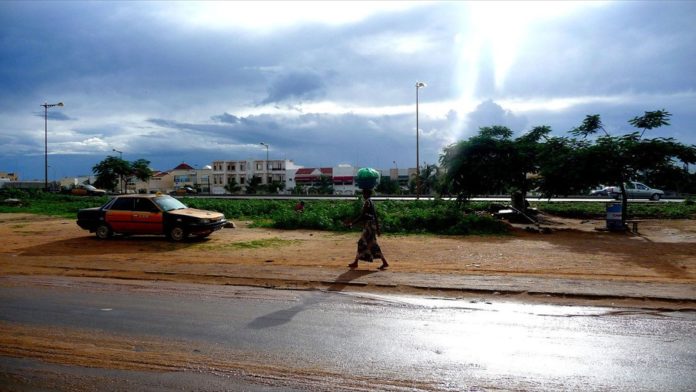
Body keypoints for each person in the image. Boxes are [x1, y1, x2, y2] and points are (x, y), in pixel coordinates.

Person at [347, 188, 389, 270]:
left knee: (362, 243)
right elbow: (375, 216)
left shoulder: (367, 202)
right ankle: (384, 262)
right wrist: (377, 228)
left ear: (366, 194)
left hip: (369, 226)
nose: (363, 195)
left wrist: (352, 223)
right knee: (372, 244)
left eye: (363, 193)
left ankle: (356, 263)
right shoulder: (371, 202)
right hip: (371, 225)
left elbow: (362, 216)